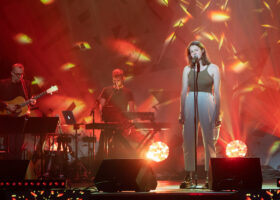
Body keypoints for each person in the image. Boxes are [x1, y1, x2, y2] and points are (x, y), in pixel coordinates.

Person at [179, 41, 221, 188]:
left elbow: (217, 93)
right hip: (191, 100)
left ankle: (210, 176)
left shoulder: (213, 68)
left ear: (202, 51)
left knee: (208, 139)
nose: (194, 53)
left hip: (207, 100)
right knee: (188, 139)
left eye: (196, 50)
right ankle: (189, 175)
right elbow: (184, 91)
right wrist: (181, 111)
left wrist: (217, 113)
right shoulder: (187, 69)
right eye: (191, 52)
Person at [97, 68, 135, 159]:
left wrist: (130, 124)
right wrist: (102, 117)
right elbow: (101, 105)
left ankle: (131, 158)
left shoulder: (128, 92)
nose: (116, 79)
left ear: (123, 78)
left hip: (121, 123)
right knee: (103, 145)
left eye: (118, 77)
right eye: (115, 77)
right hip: (108, 122)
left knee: (119, 145)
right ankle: (100, 163)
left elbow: (131, 109)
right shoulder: (107, 90)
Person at [0, 63, 36, 159]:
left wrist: (32, 102)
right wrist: (6, 106)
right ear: (11, 73)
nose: (20, 77)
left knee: (18, 148)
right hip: (7, 118)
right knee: (10, 148)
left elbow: (28, 98)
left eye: (21, 74)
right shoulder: (3, 84)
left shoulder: (26, 84)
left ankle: (17, 171)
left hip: (20, 119)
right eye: (17, 74)